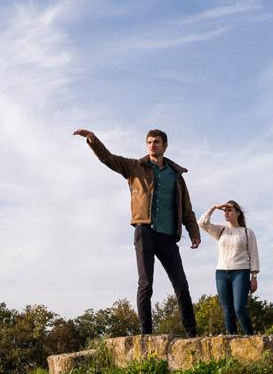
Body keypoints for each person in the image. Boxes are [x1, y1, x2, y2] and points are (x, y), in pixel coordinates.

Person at [72, 128, 200, 337]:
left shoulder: (176, 176)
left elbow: (186, 208)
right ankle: (146, 334)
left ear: (165, 146)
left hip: (168, 236)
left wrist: (193, 231)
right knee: (145, 284)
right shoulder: (135, 167)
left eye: (157, 142)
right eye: (149, 142)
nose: (152, 145)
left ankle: (192, 333)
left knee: (181, 285)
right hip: (144, 231)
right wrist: (93, 140)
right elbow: (109, 159)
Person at [198, 201, 260, 335]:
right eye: (224, 211)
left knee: (239, 308)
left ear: (238, 212)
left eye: (229, 210)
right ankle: (231, 341)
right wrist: (214, 207)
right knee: (227, 310)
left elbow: (253, 255)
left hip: (240, 272)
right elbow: (202, 223)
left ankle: (251, 338)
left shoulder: (247, 232)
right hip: (221, 273)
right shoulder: (220, 231)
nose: (226, 213)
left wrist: (254, 277)